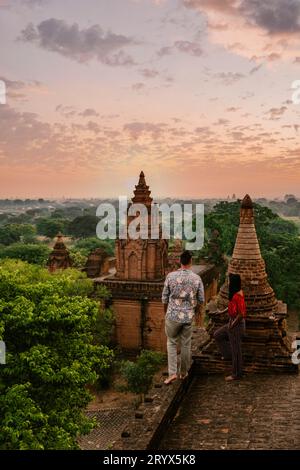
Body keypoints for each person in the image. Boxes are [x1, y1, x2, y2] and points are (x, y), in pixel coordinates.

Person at [162, 250, 205, 385]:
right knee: (186, 344)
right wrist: (196, 311)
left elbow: (164, 298)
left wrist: (166, 313)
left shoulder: (170, 276)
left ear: (180, 261)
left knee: (171, 343)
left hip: (172, 315)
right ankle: (184, 372)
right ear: (190, 262)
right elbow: (201, 299)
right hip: (187, 316)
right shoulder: (196, 278)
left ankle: (172, 373)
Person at [214, 273, 246, 381]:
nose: (227, 282)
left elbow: (241, 314)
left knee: (236, 350)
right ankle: (227, 354)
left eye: (229, 281)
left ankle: (237, 374)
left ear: (233, 283)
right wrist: (221, 312)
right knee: (217, 335)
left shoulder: (239, 295)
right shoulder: (234, 294)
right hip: (232, 322)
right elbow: (232, 307)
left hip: (237, 325)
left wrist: (232, 324)